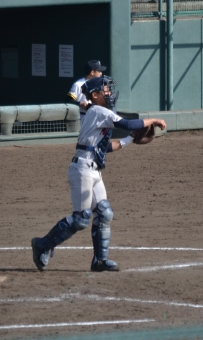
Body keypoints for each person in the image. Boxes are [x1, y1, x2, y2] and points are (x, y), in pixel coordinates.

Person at [31, 76, 166, 272]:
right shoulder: (98, 111)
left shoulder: (99, 113)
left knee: (104, 213)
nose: (109, 92)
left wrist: (129, 140)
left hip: (93, 170)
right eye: (106, 90)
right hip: (82, 170)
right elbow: (127, 124)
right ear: (95, 95)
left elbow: (104, 148)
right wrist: (153, 119)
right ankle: (42, 244)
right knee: (81, 219)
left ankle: (100, 261)